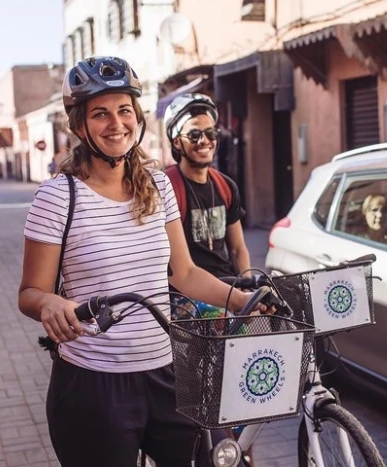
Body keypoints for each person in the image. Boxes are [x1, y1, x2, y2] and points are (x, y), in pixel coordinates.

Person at [18, 56, 266, 467]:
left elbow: (184, 274)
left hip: (167, 373)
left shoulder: (157, 187)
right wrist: (48, 304)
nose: (116, 123)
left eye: (124, 110)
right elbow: (30, 293)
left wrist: (241, 300)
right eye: (100, 113)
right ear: (79, 125)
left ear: (138, 117)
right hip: (92, 385)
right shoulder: (58, 197)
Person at [163, 93, 251, 319]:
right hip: (185, 296)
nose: (204, 140)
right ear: (176, 141)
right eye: (194, 134)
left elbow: (238, 248)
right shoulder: (166, 188)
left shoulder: (226, 186)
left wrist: (249, 286)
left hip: (228, 287)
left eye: (210, 133)